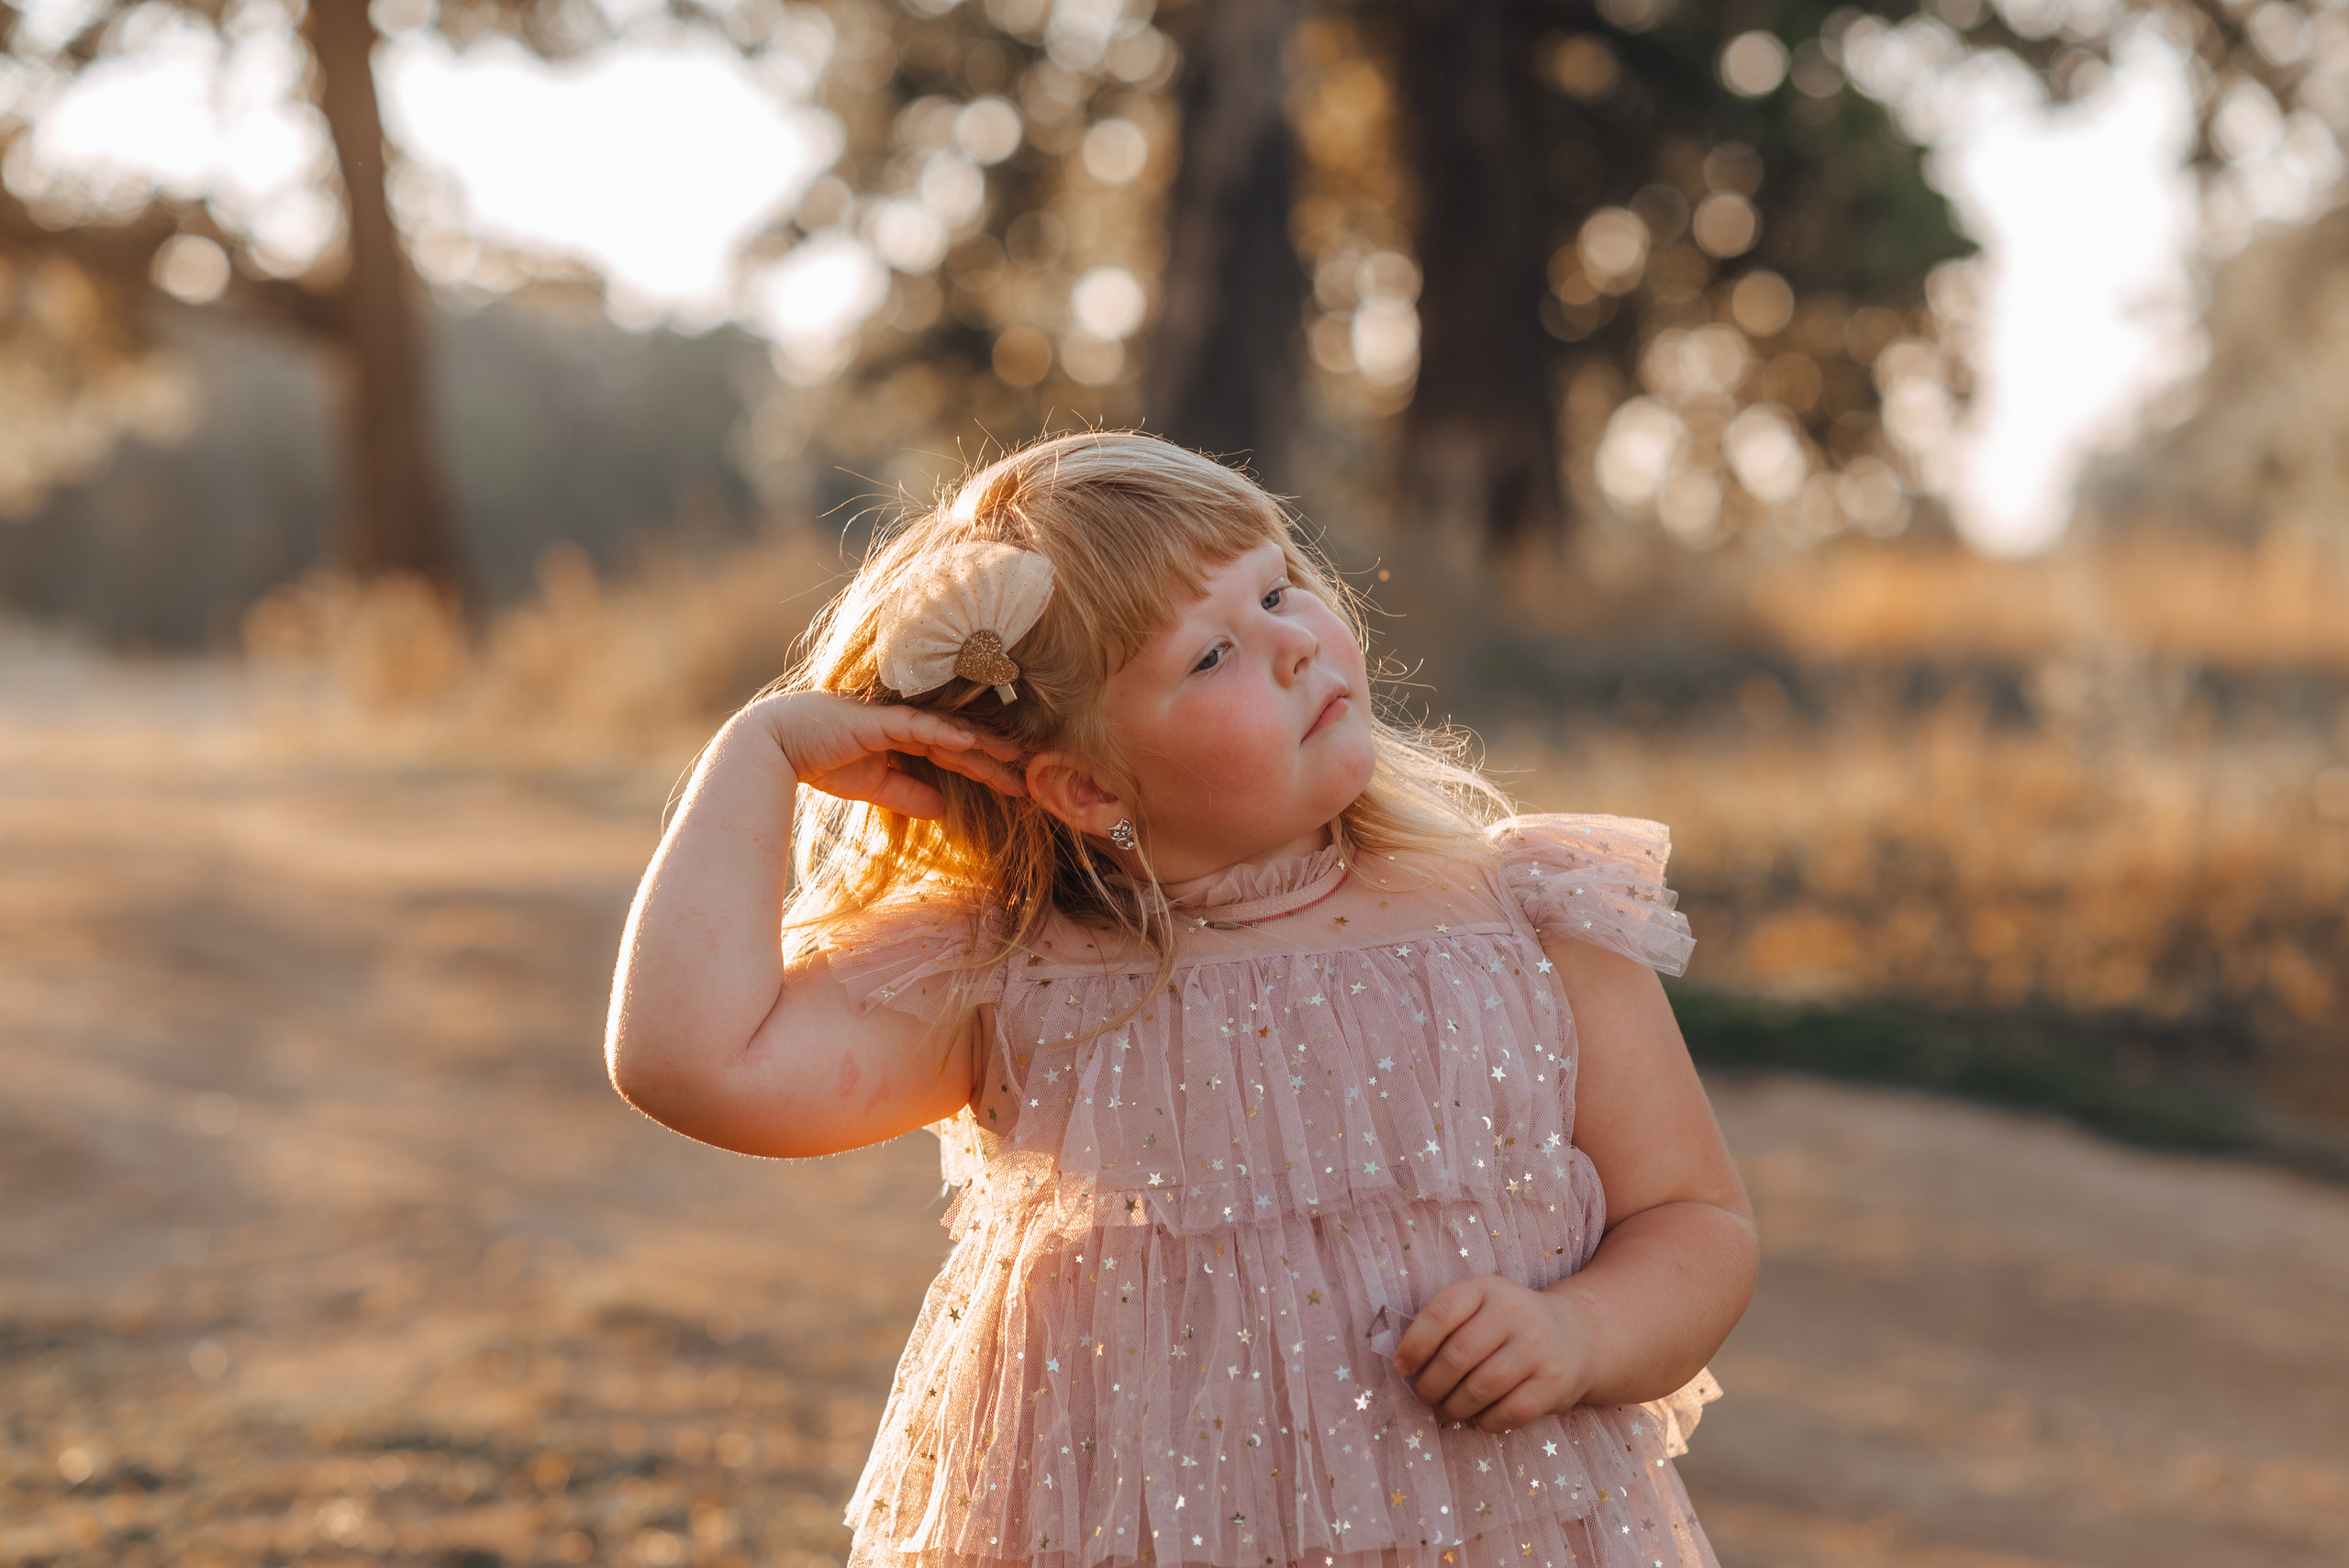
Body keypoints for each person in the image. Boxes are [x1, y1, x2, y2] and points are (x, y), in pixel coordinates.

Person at [605, 432, 1757, 1568]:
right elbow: (692, 1061)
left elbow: (1693, 1217)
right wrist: (757, 753)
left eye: (1278, 588)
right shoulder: (1014, 968)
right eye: (1211, 654)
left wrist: (1582, 1330)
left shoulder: (1526, 916)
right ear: (1087, 783)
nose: (1294, 644)